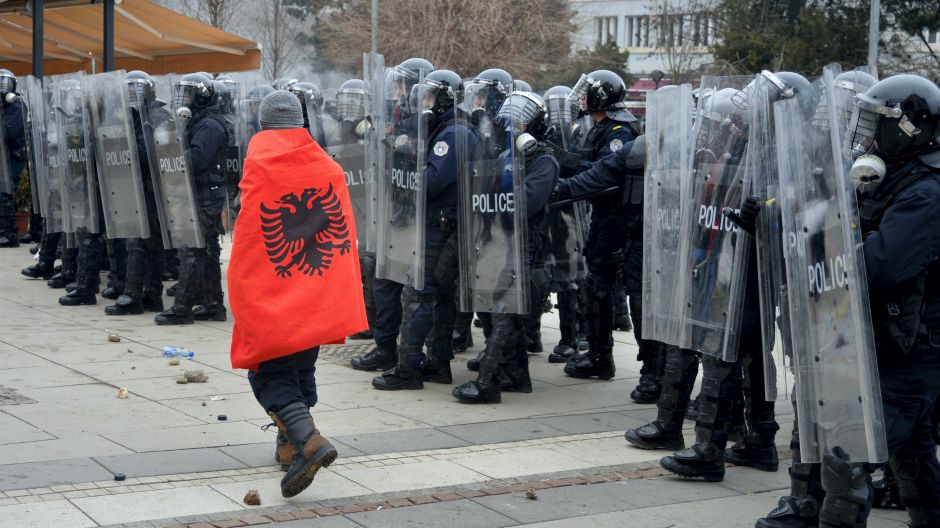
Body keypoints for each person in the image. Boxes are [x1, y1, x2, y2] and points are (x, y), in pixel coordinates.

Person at [757, 73, 940, 527]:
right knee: (913, 460)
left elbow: (881, 266)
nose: (866, 134)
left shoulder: (927, 193)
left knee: (847, 458)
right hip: (886, 342)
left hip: (910, 350)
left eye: (876, 123)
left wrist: (825, 248)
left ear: (906, 127)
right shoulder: (889, 178)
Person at [229, 90, 366, 498]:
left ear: (263, 124)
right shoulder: (328, 168)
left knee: (269, 372)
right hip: (314, 295)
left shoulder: (259, 166)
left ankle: (309, 442)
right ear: (302, 123)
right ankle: (289, 444)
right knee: (300, 365)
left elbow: (251, 241)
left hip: (275, 294)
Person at [372, 69, 475, 390]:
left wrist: (404, 159)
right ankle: (438, 363)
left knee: (418, 295)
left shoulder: (454, 134)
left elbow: (431, 180)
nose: (425, 103)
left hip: (439, 226)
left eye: (429, 96)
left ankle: (409, 368)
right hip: (440, 224)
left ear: (443, 98)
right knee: (439, 297)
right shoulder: (444, 129)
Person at [350, 57, 434, 373]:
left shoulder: (427, 120)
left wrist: (399, 142)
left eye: (402, 84)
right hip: (392, 212)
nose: (397, 91)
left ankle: (417, 355)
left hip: (418, 218)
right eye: (395, 84)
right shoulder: (396, 117)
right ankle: (385, 348)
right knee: (384, 282)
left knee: (417, 293)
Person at [155, 73, 228, 325]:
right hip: (199, 194)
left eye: (189, 93)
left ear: (202, 96)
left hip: (205, 195)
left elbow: (196, 160)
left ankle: (182, 308)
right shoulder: (197, 121)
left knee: (192, 250)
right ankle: (212, 305)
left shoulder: (209, 125)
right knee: (205, 252)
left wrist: (170, 152)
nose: (184, 99)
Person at [105, 70, 167, 316]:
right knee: (145, 243)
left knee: (140, 243)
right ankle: (150, 296)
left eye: (137, 89)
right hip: (137, 188)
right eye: (129, 90)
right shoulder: (133, 116)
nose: (132, 95)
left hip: (152, 189)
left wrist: (123, 144)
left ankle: (135, 295)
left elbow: (146, 152)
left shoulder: (156, 117)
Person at [0, 68, 26, 248]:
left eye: (5, 82)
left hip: (12, 156)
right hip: (2, 156)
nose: (2, 85)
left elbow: (8, 132)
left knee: (4, 193)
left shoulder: (16, 105)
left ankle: (9, 234)